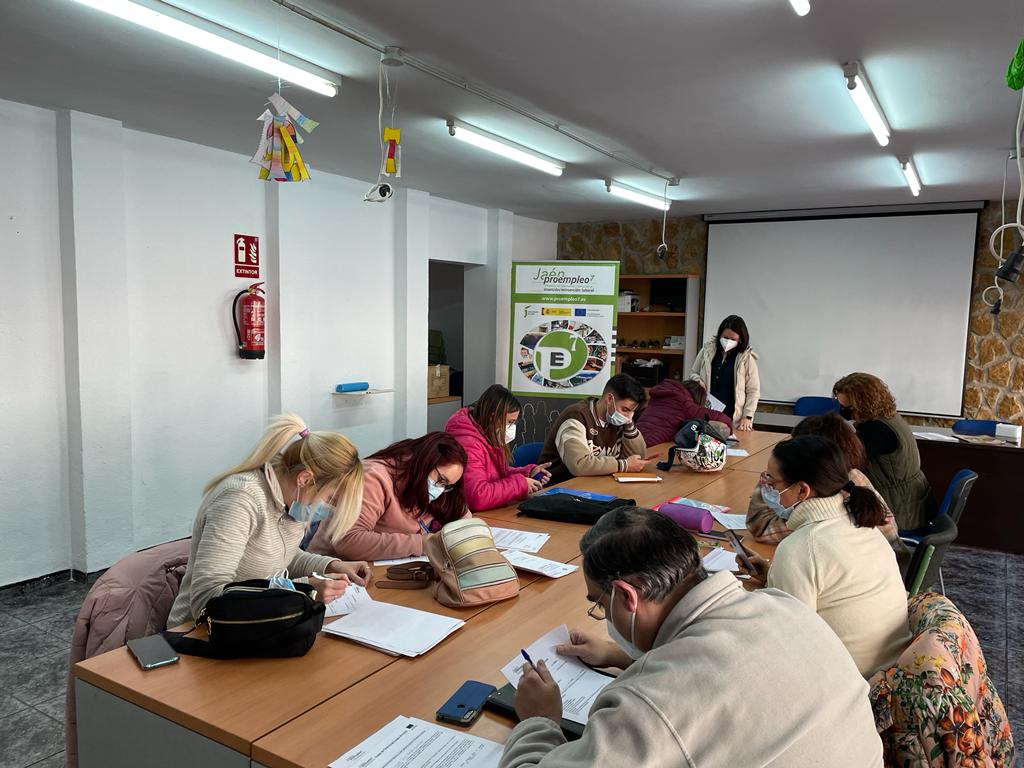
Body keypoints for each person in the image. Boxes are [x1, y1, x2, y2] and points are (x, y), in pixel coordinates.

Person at [500, 507, 884, 768]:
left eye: (600, 604)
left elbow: (684, 694)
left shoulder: (649, 705)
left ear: (627, 596)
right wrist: (621, 655)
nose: (603, 616)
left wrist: (539, 721)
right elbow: (724, 669)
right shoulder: (784, 606)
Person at [167, 414, 368, 628]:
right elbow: (206, 600)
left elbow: (277, 557)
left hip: (259, 625)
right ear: (305, 479)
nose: (328, 509)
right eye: (330, 499)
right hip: (198, 632)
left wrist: (331, 565)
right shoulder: (240, 499)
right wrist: (303, 589)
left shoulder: (293, 500)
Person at [740, 436, 912, 677]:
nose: (766, 488)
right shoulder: (862, 524)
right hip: (893, 669)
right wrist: (773, 576)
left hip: (853, 682)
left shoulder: (801, 547)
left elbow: (788, 642)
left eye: (772, 481)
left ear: (802, 490)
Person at [746, 413, 912, 571]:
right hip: (889, 570)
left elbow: (760, 528)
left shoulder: (828, 502)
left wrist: (770, 480)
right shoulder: (851, 478)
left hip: (886, 573)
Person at [307, 432, 469, 561]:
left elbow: (462, 514)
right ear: (424, 463)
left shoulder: (437, 488)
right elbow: (347, 541)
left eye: (447, 486)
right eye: (440, 480)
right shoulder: (374, 478)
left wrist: (465, 532)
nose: (440, 489)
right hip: (331, 571)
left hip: (378, 569)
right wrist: (423, 544)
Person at [832, 372, 936, 530]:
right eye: (841, 406)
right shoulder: (888, 418)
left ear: (864, 404)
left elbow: (844, 461)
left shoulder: (877, 430)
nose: (843, 412)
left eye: (848, 407)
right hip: (912, 503)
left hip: (900, 511)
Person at [444, 384, 552, 512]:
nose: (512, 427)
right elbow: (478, 496)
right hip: (468, 515)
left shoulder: (485, 433)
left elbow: (493, 474)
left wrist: (527, 473)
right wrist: (520, 484)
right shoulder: (468, 443)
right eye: (510, 422)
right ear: (493, 417)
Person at [537, 374, 649, 485]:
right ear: (609, 399)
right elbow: (579, 465)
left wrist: (629, 426)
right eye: (625, 409)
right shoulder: (576, 416)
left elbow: (636, 460)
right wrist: (623, 465)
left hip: (594, 484)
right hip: (558, 486)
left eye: (633, 411)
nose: (629, 417)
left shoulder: (619, 420)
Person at [689, 315, 760, 431]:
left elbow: (753, 391)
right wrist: (698, 380)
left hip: (732, 418)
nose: (728, 342)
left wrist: (747, 416)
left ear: (740, 339)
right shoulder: (707, 350)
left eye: (733, 339)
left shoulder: (746, 358)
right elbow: (693, 373)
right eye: (725, 337)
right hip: (707, 413)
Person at [635, 378, 732, 446]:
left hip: (633, 440)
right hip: (650, 445)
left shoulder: (662, 395)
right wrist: (730, 428)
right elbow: (715, 416)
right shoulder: (684, 403)